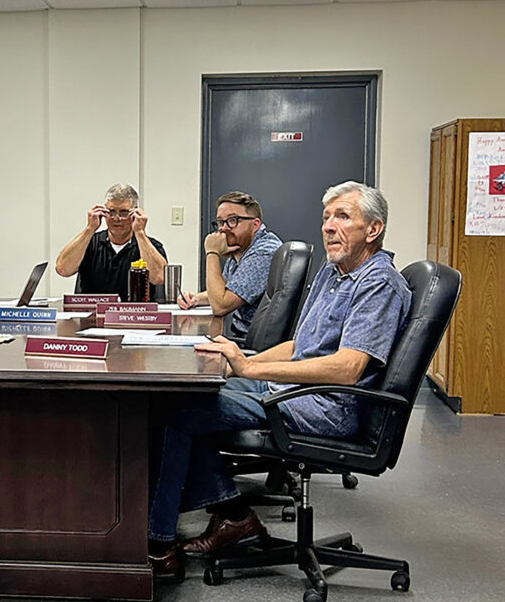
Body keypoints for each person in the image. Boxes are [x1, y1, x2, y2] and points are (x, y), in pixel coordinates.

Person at [147, 181, 413, 576]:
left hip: (325, 407)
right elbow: (300, 346)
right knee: (184, 392)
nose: (329, 226)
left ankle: (159, 546)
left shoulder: (377, 283)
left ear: (373, 229)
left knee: (176, 411)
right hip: (294, 391)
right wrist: (234, 363)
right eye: (326, 217)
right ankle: (234, 516)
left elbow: (348, 368)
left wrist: (252, 369)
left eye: (343, 217)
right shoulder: (335, 272)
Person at [177, 191, 282, 340]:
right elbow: (227, 290)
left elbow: (220, 306)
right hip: (239, 336)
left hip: (248, 343)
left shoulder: (263, 253)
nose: (224, 228)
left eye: (233, 220)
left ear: (255, 225)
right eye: (220, 222)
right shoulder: (240, 249)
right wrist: (196, 299)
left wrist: (212, 252)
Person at [55, 183, 168, 300]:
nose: (117, 218)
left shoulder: (150, 246)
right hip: (93, 310)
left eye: (124, 212)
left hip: (134, 310)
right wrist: (90, 229)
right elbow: (63, 269)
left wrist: (140, 233)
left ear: (135, 213)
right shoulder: (89, 243)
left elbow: (159, 278)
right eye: (111, 212)